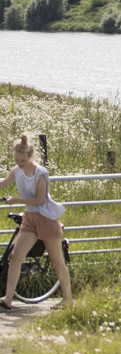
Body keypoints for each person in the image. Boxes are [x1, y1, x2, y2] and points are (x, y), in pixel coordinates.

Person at [0, 133, 72, 310]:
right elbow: (4, 182)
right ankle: (8, 298)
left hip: (47, 218)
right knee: (16, 257)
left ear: (30, 157)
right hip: (30, 218)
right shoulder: (16, 171)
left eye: (22, 160)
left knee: (56, 261)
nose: (19, 163)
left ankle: (67, 300)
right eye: (16, 160)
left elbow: (40, 200)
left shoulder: (41, 173)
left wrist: (15, 200)